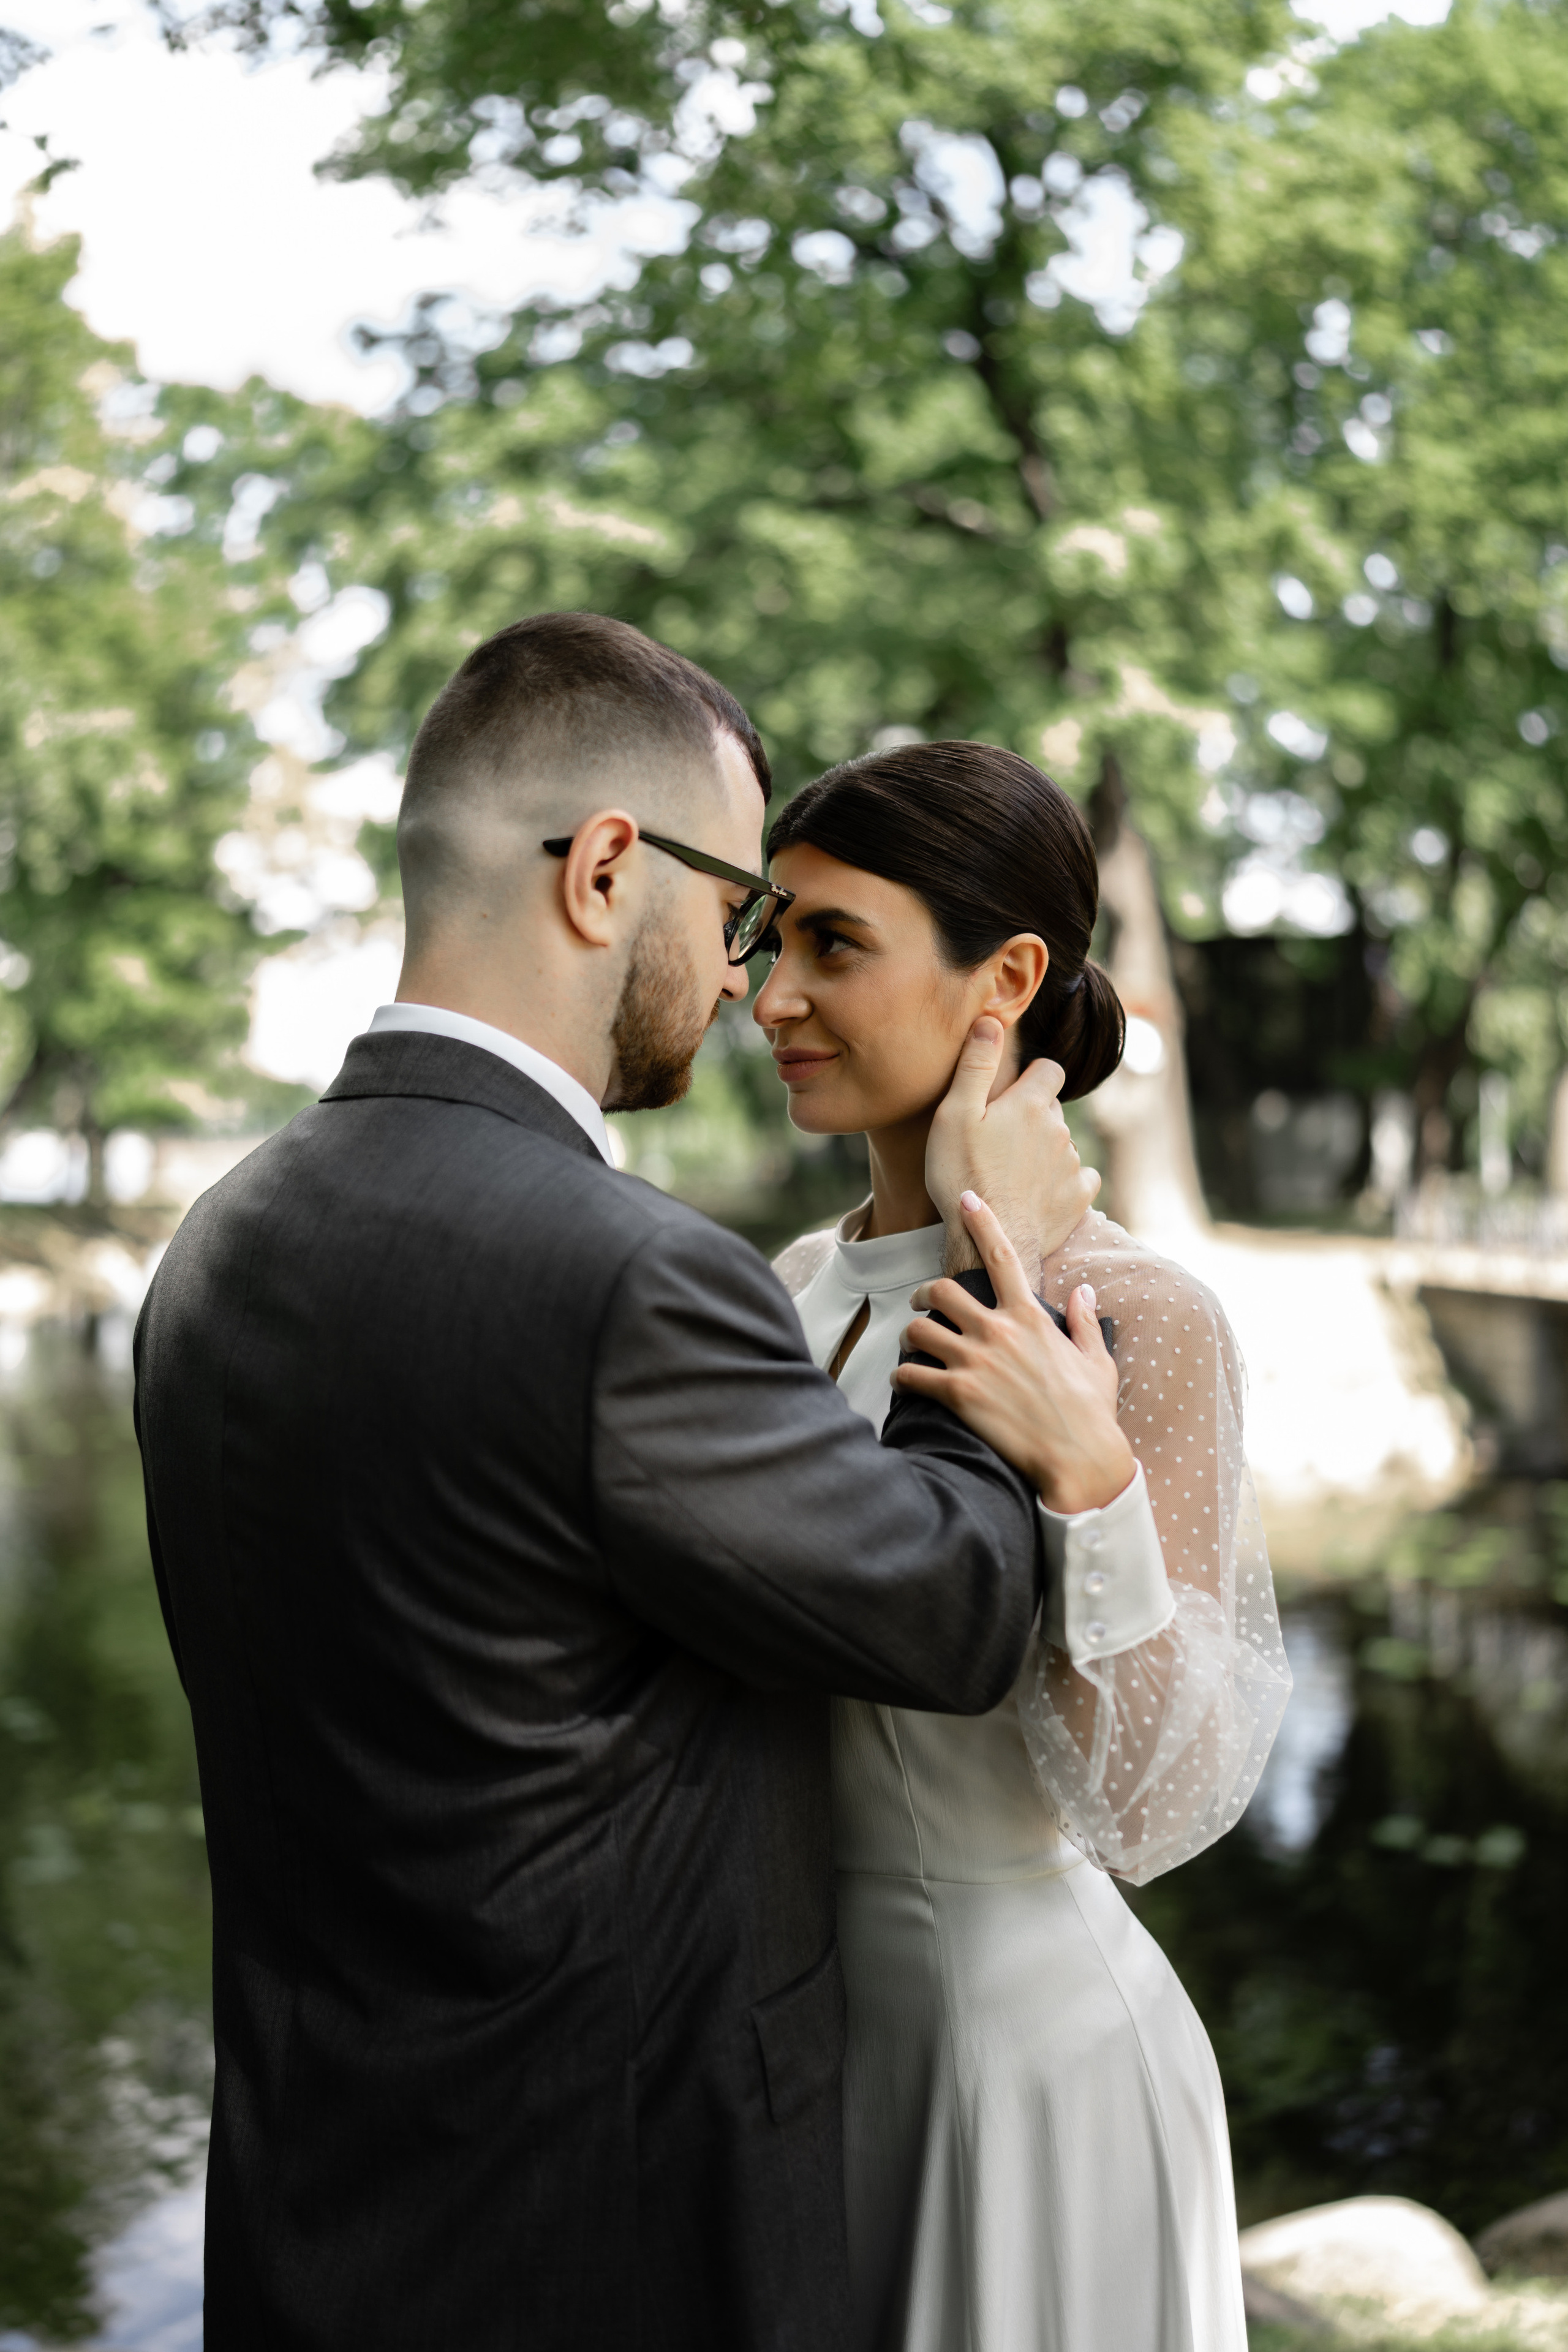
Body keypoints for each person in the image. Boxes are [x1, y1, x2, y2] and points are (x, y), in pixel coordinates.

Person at [132, 614, 1129, 2351]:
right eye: (738, 906)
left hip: (311, 2227)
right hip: (608, 2246)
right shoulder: (627, 1278)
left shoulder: (222, 1244)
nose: (747, 979)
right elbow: (962, 1603)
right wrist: (1001, 1257)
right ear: (607, 869)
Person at [757, 739, 1294, 2352]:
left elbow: (1150, 1803)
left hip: (1031, 2063)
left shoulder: (1140, 1318)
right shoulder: (778, 1292)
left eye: (831, 944)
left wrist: (1089, 1474)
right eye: (766, 939)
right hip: (800, 2057)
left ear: (1003, 981)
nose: (771, 997)